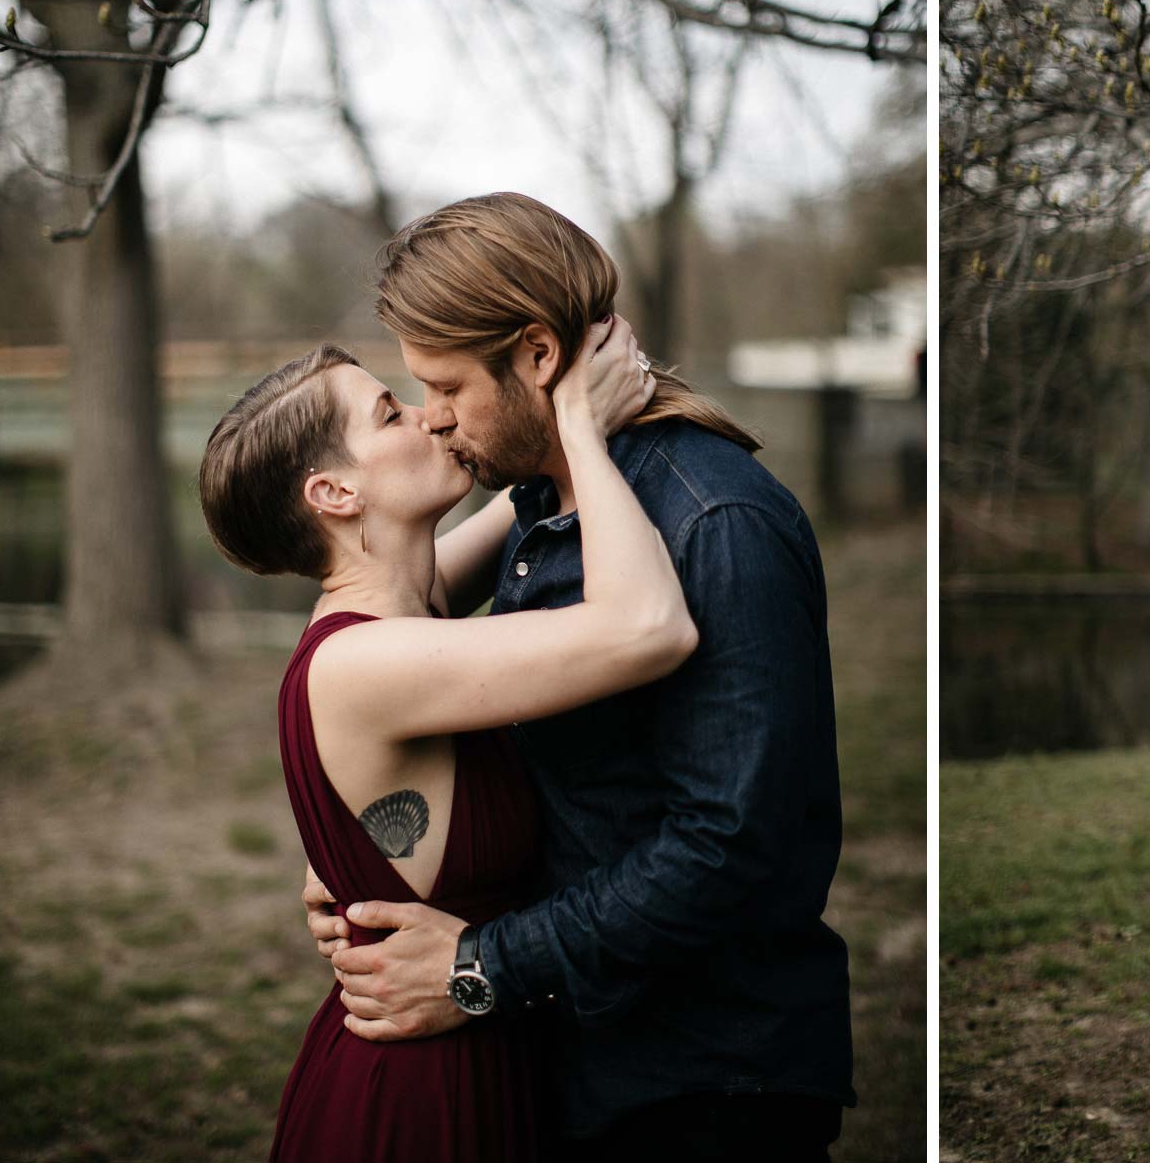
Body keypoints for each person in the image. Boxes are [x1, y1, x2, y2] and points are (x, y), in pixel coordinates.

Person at [300, 193, 855, 1162]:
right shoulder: (548, 505)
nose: (432, 421)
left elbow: (730, 844)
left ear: (539, 357)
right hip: (572, 1056)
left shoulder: (710, 523)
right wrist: (367, 850)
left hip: (699, 1083)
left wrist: (479, 968)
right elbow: (416, 646)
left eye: (444, 387)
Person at [200, 315, 688, 1161]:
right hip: (420, 1097)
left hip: (480, 1047)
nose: (428, 417)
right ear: (335, 494)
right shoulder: (368, 661)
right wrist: (578, 429)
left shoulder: (407, 605)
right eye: (390, 413)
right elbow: (646, 626)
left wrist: (556, 402)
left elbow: (517, 499)